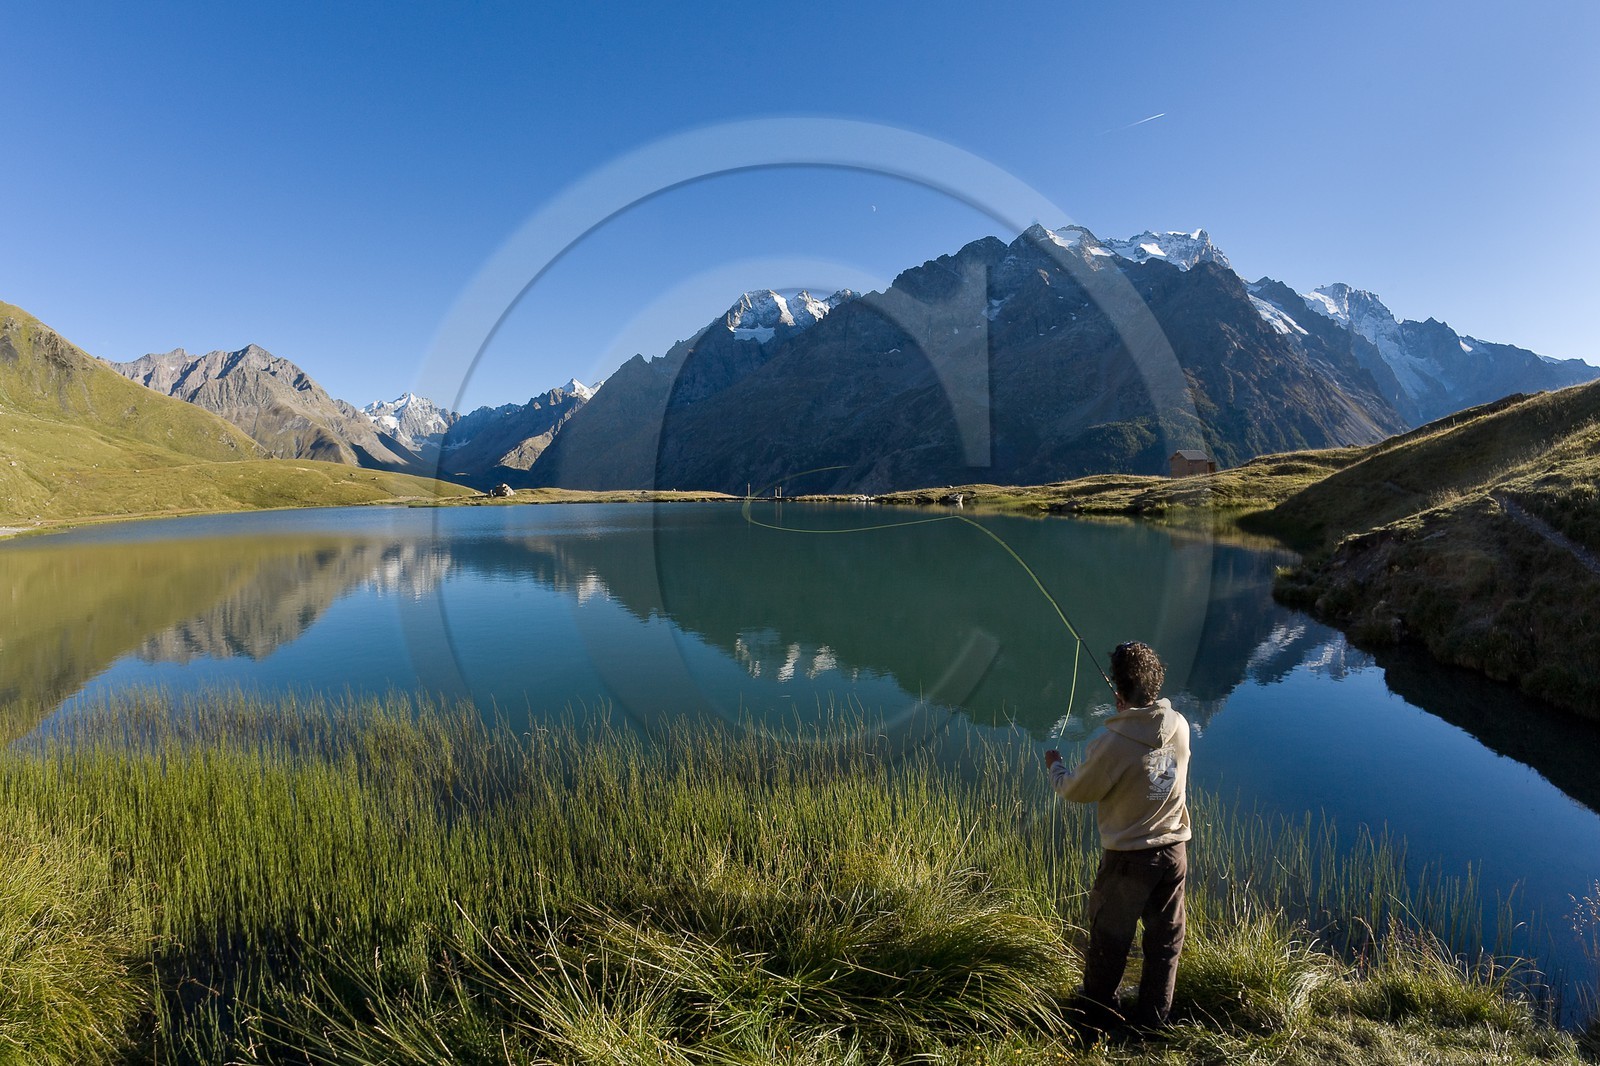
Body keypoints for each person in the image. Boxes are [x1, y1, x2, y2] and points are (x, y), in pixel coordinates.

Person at [1044, 640, 1191, 1032]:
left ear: (1119, 691)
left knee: (1110, 944)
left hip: (1129, 859)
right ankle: (1152, 1023)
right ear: (1155, 685)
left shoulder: (1112, 743)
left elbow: (1077, 791)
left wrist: (1056, 768)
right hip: (1174, 853)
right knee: (1164, 946)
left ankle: (1094, 1021)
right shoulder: (1179, 726)